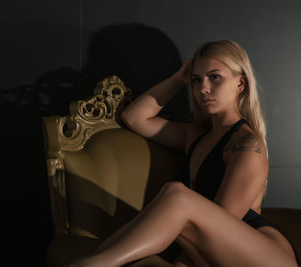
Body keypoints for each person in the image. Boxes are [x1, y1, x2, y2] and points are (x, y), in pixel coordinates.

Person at [68, 40, 298, 267]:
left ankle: (94, 264)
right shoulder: (194, 136)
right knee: (141, 258)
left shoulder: (247, 144)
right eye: (196, 80)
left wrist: (181, 263)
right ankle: (96, 259)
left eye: (214, 77)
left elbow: (221, 222)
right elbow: (134, 118)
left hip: (264, 256)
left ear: (240, 84)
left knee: (177, 194)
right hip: (214, 249)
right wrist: (179, 79)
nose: (203, 88)